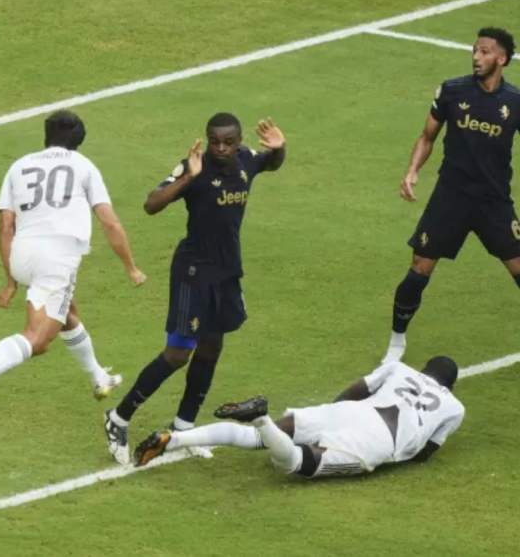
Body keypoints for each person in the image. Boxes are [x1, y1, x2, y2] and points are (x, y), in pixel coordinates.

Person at [104, 113, 285, 464]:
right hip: (193, 272)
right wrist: (188, 177)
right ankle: (118, 417)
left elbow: (271, 163)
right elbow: (151, 203)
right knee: (177, 353)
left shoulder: (246, 159)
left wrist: (280, 149)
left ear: (238, 140)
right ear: (207, 139)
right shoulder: (194, 167)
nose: (220, 148)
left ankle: (183, 428)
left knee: (211, 349)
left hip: (227, 271)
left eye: (227, 142)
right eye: (215, 140)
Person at [0, 109, 146, 428]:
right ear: (78, 140)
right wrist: (131, 267)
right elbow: (109, 221)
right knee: (38, 339)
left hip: (23, 255)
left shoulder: (19, 166)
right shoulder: (83, 166)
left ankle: (99, 377)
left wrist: (11, 280)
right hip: (57, 258)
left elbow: (5, 226)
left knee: (65, 310)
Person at [385, 27, 519, 363]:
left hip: (493, 202)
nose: (476, 57)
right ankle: (396, 342)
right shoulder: (452, 91)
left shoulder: (515, 102)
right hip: (451, 198)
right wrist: (413, 170)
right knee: (419, 268)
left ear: (501, 58)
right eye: (475, 50)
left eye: (485, 51)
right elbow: (427, 136)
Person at [132, 356, 465, 477]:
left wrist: (331, 415)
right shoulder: (454, 407)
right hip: (376, 440)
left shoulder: (401, 368)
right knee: (294, 464)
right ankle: (260, 417)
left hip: (353, 410)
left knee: (258, 440)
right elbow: (424, 455)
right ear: (449, 384)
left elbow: (357, 387)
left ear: (425, 370)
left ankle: (172, 439)